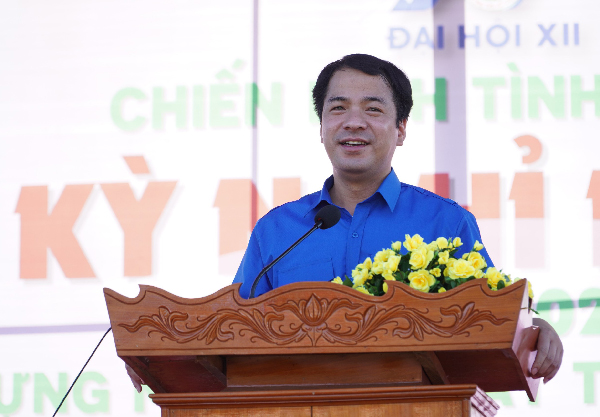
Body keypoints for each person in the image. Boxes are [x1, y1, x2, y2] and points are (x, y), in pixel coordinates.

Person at [231, 53, 563, 384]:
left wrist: (531, 328)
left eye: (373, 109)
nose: (353, 122)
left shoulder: (446, 223)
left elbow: (487, 320)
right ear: (322, 128)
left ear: (401, 129)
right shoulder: (276, 231)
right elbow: (232, 330)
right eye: (338, 108)